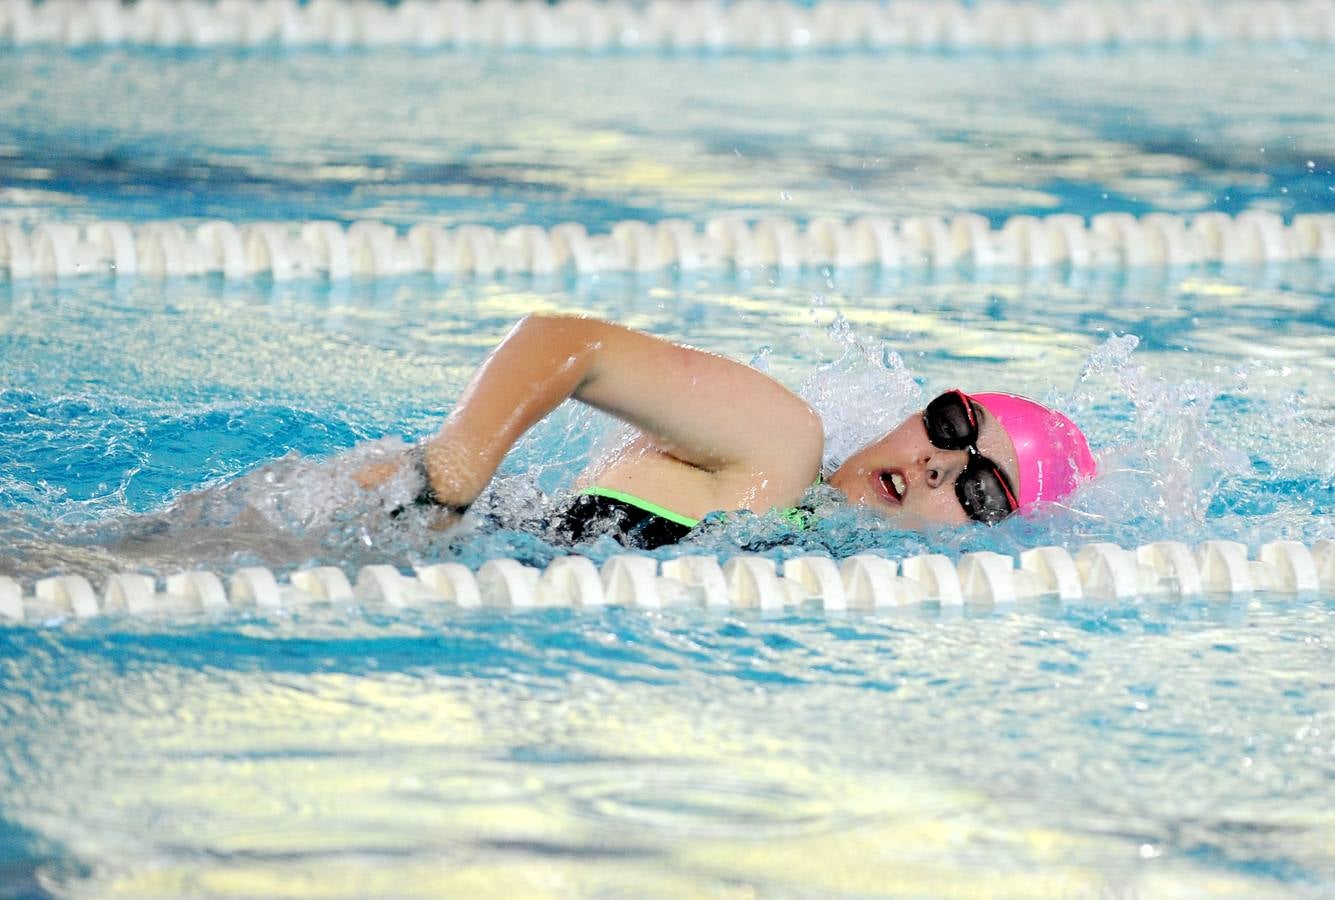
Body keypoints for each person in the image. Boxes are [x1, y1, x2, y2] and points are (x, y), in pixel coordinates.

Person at [355, 314, 1096, 548]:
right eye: (950, 424)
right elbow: (563, 342)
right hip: (347, 525)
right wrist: (448, 478)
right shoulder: (781, 448)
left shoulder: (811, 546)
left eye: (982, 489)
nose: (938, 465)